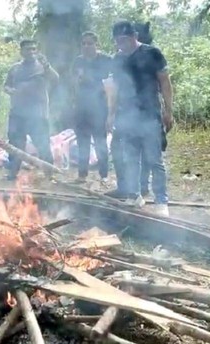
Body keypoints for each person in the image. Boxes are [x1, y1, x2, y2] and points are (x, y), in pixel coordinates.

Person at [107, 20, 174, 216]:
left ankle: (161, 201)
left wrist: (168, 111)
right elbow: (115, 89)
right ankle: (134, 196)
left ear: (135, 36)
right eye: (118, 40)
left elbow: (165, 82)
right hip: (126, 116)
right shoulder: (117, 59)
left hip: (149, 114)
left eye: (125, 39)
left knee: (154, 159)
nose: (122, 44)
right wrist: (111, 114)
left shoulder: (152, 53)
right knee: (131, 159)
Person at [4, 39, 59, 181]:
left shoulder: (43, 67)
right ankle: (12, 173)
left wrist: (47, 67)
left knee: (43, 144)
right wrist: (11, 91)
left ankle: (49, 174)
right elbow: (6, 86)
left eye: (34, 49)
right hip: (17, 113)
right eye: (28, 49)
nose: (31, 52)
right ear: (21, 52)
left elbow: (55, 79)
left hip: (37, 114)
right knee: (15, 144)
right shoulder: (14, 68)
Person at [71, 31, 112, 186]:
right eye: (84, 43)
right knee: (82, 142)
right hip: (82, 108)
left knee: (100, 142)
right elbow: (74, 82)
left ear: (97, 44)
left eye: (90, 43)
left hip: (100, 108)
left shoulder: (106, 60)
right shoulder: (78, 61)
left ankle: (104, 175)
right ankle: (82, 174)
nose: (87, 46)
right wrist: (74, 103)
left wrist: (110, 111)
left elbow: (111, 85)